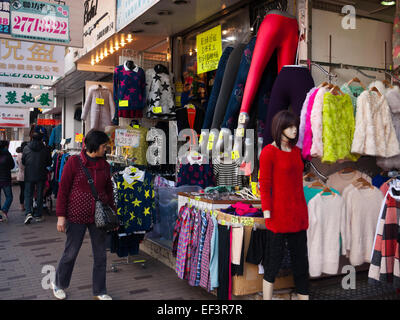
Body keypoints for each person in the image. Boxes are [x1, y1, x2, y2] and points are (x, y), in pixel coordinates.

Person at [53, 130, 116, 300]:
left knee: (100, 255)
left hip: (99, 217)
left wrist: (113, 213)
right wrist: (61, 216)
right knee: (71, 252)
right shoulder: (74, 162)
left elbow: (109, 191)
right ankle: (58, 283)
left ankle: (100, 290)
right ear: (95, 146)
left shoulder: (105, 165)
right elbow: (63, 190)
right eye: (104, 146)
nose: (106, 149)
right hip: (76, 216)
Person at [259, 110, 310, 300]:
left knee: (301, 263)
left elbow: (298, 183)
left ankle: (304, 296)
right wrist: (267, 213)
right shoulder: (269, 152)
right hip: (278, 216)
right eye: (290, 126)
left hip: (298, 214)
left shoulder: (297, 152)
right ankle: (267, 298)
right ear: (280, 128)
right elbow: (264, 185)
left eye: (296, 126)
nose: (295, 130)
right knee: (273, 261)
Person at [22, 132, 52, 224]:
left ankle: (28, 213)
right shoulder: (45, 149)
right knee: (39, 195)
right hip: (41, 174)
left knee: (28, 194)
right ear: (41, 139)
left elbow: (23, 161)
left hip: (29, 175)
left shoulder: (26, 148)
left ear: (32, 138)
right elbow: (49, 162)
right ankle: (38, 215)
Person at [0, 140, 15, 222]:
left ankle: (0, 216)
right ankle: (4, 210)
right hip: (6, 179)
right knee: (9, 197)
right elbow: (12, 166)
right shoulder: (7, 154)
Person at [16, 142, 28, 212]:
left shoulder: (18, 155)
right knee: (27, 191)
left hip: (20, 175)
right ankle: (28, 205)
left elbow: (18, 163)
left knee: (22, 191)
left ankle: (22, 206)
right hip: (27, 175)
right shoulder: (25, 154)